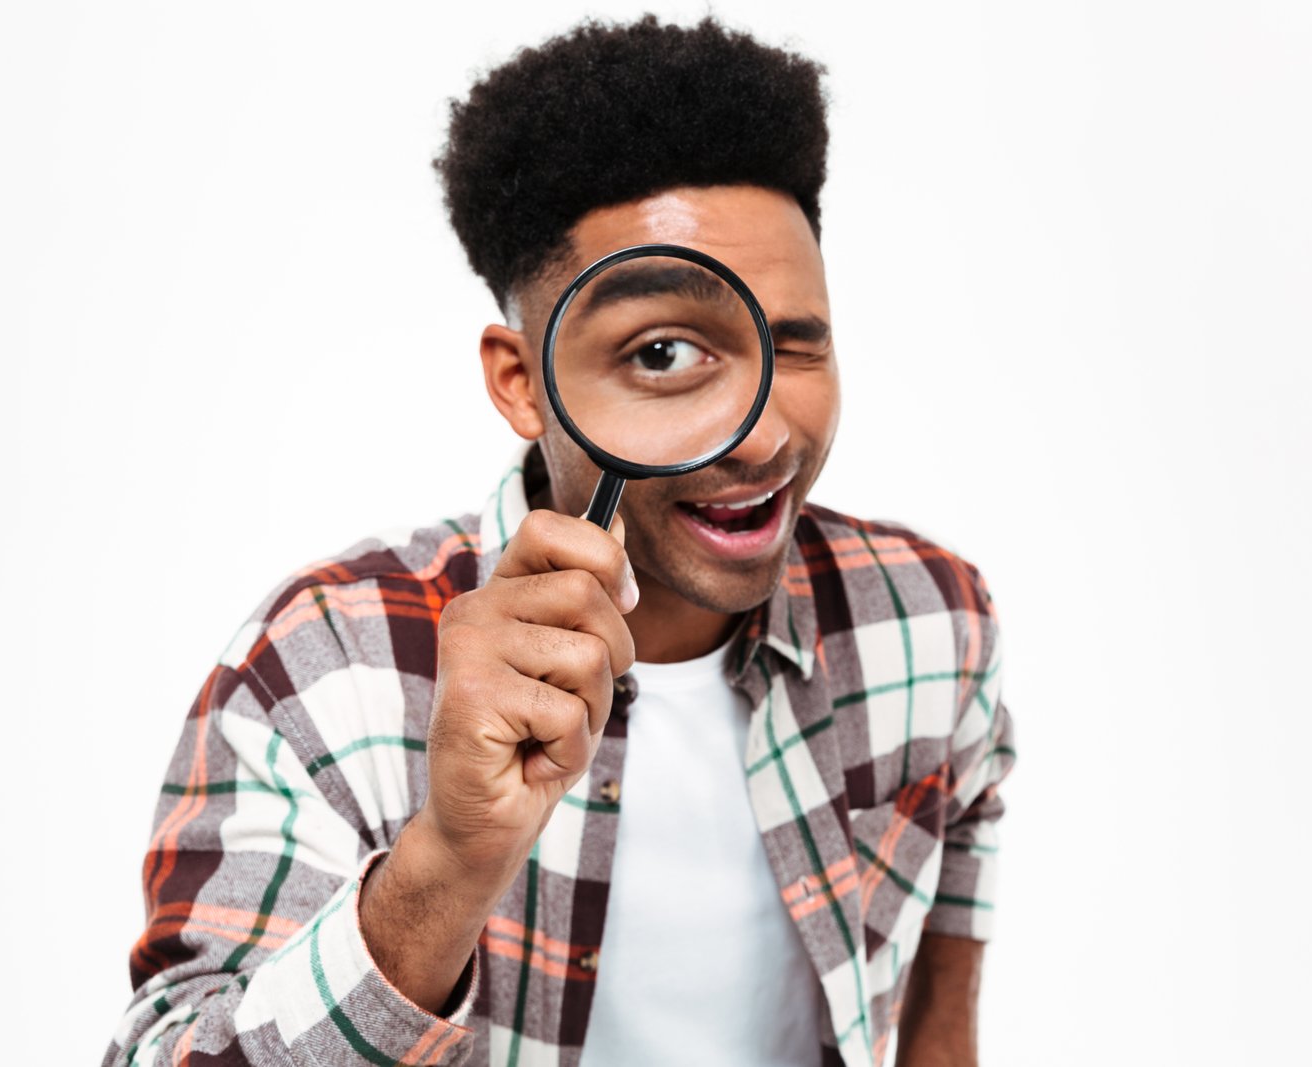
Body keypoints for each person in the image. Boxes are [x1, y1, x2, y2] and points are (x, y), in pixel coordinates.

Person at [104, 15, 1015, 1067]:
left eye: (796, 344)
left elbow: (957, 889)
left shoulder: (932, 616)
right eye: (665, 351)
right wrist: (445, 863)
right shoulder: (324, 664)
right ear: (522, 380)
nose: (764, 434)